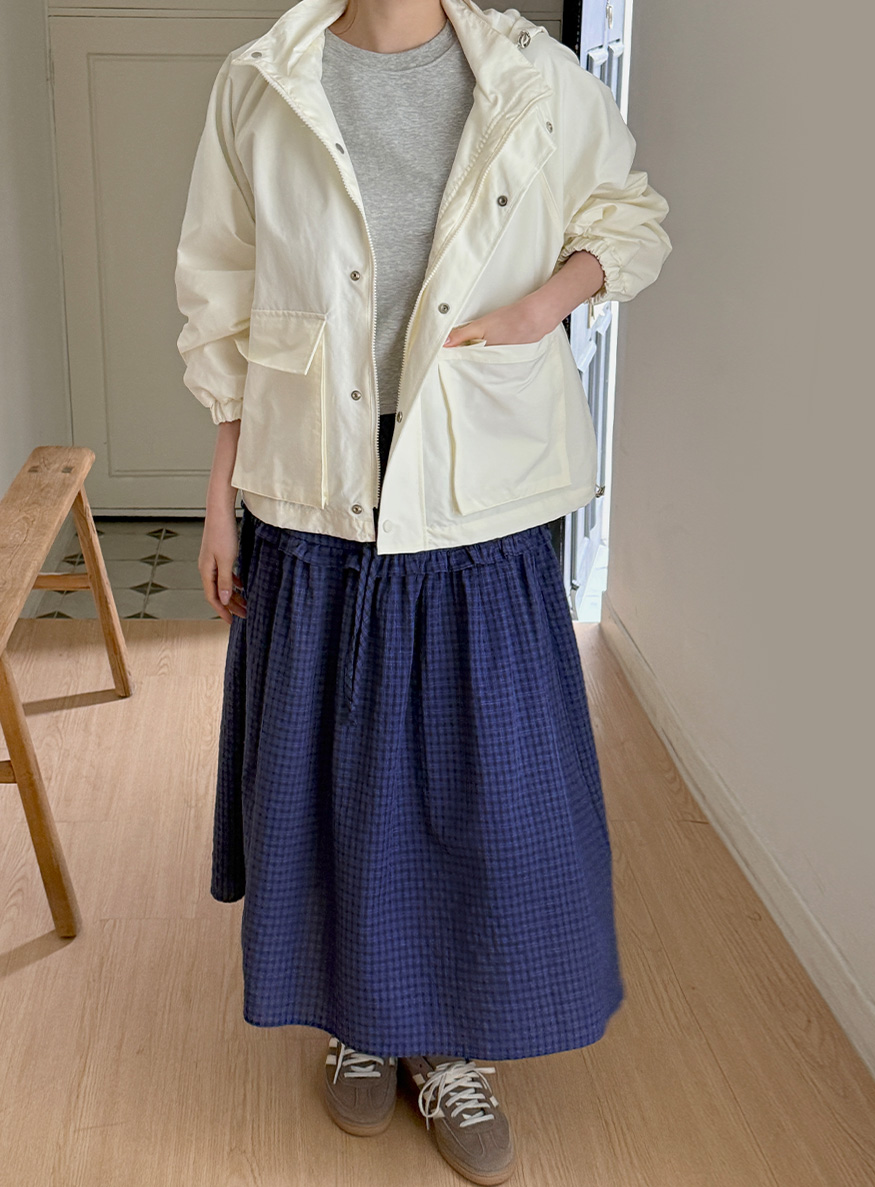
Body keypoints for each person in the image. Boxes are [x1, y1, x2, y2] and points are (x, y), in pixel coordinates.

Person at [174, 0, 671, 1182]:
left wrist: (541, 306)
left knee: (480, 783)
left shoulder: (537, 75)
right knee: (332, 777)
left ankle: (452, 1043)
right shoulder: (258, 83)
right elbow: (221, 299)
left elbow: (632, 220)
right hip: (314, 486)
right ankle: (361, 1015)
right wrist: (220, 495)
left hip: (477, 492)